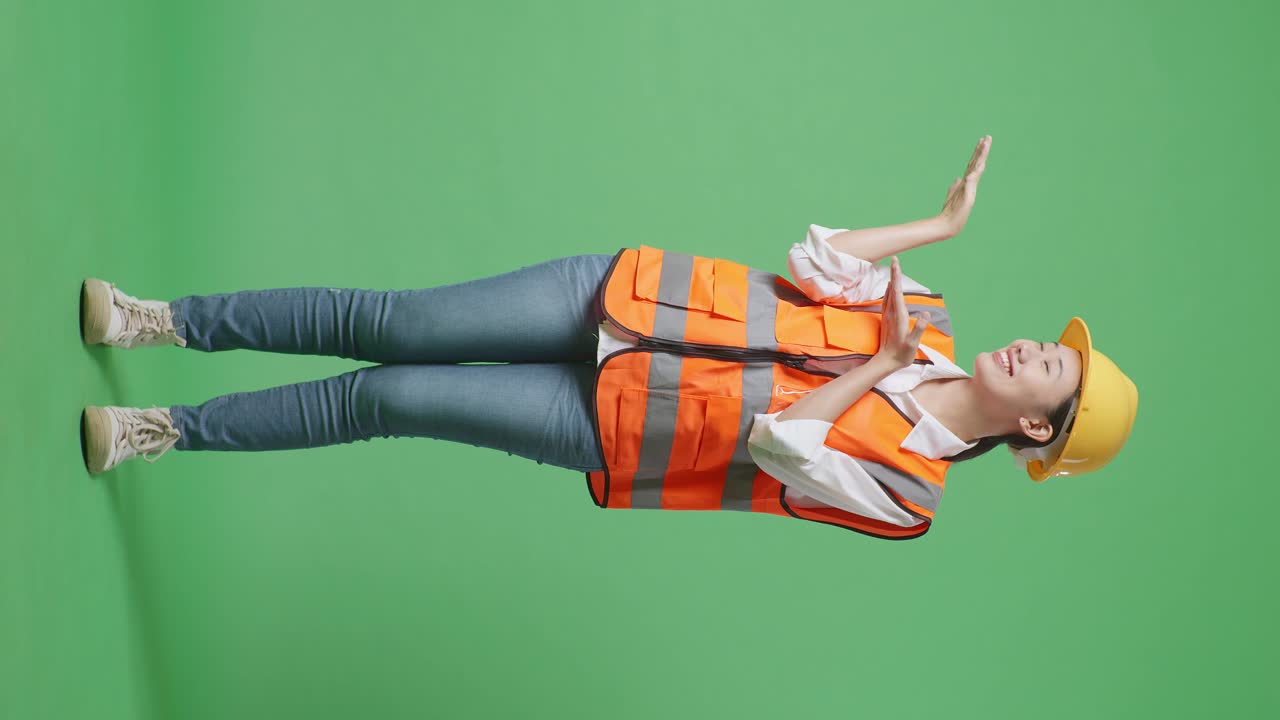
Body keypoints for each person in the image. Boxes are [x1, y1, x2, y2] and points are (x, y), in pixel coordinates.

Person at [79, 135, 1138, 539]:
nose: (1026, 350)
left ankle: (164, 428)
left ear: (1037, 425)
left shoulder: (911, 496)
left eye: (1045, 367)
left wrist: (874, 364)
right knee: (392, 321)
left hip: (620, 426)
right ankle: (161, 321)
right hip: (624, 299)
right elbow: (817, 259)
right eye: (1043, 342)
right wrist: (936, 226)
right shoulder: (930, 317)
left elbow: (779, 446)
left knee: (387, 398)